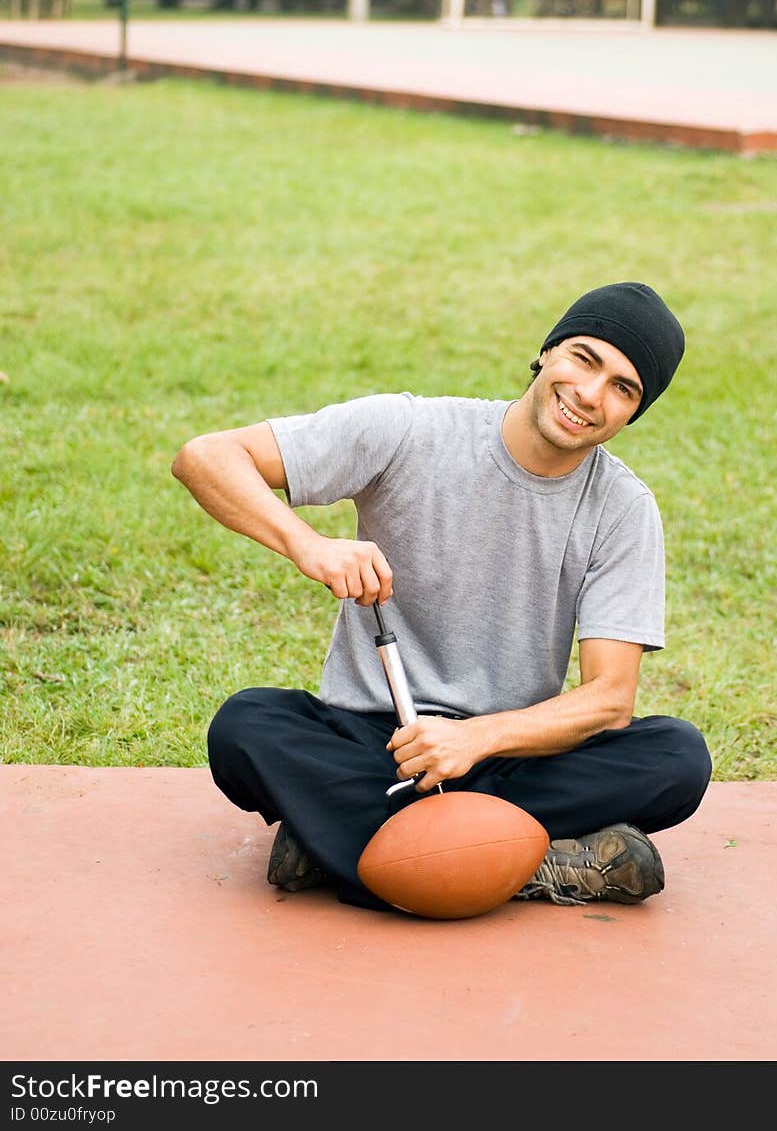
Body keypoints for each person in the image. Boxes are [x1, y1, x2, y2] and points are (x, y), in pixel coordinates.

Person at [172, 281, 712, 912]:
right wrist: (308, 545)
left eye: (623, 388)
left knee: (676, 756)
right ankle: (530, 862)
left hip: (507, 752)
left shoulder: (622, 508)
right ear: (547, 353)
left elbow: (609, 700)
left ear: (632, 413)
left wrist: (475, 739)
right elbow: (206, 457)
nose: (590, 395)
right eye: (584, 359)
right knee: (247, 726)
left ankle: (342, 848)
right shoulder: (410, 429)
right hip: (374, 744)